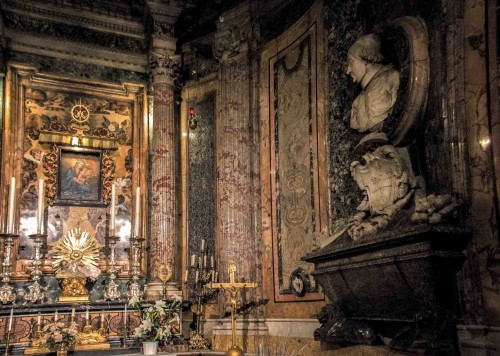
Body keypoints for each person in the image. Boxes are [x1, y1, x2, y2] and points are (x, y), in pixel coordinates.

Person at [347, 34, 400, 134]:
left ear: (366, 59)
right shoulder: (356, 103)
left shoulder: (391, 78)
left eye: (351, 63)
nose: (348, 70)